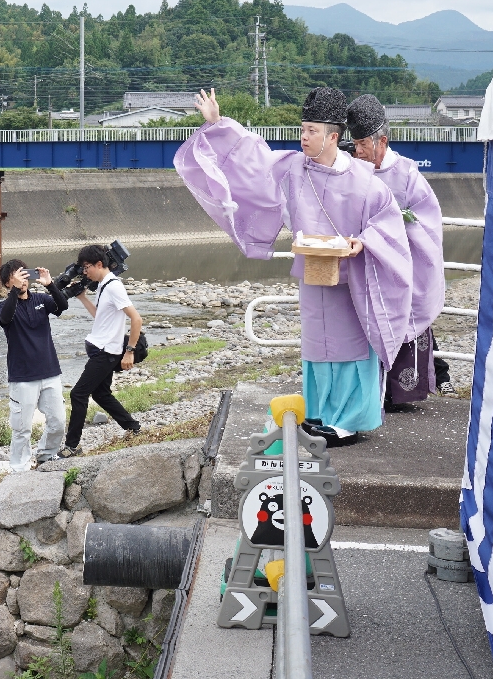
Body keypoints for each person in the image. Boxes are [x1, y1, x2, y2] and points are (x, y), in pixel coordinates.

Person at [174, 88, 412, 445]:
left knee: (349, 346)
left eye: (312, 130)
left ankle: (348, 421)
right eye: (302, 128)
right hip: (313, 275)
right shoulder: (291, 168)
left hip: (352, 279)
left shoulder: (364, 181)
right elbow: (250, 158)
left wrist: (364, 241)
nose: (303, 136)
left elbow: (387, 221)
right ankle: (320, 413)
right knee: (317, 345)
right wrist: (218, 124)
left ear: (333, 136)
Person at [346, 94, 450, 404]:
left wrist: (394, 228)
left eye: (364, 143)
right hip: (366, 262)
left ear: (382, 141)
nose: (359, 150)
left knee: (406, 320)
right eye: (355, 143)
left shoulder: (405, 174)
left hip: (402, 266)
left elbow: (427, 221)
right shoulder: (351, 167)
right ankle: (366, 395)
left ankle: (401, 394)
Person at [60, 244, 144, 458]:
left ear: (99, 264)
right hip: (102, 350)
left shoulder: (114, 286)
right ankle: (133, 428)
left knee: (78, 393)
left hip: (105, 353)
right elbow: (101, 317)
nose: (84, 272)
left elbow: (136, 318)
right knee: (100, 393)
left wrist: (130, 352)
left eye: (86, 267)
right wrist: (83, 298)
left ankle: (72, 447)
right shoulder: (104, 285)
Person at [0, 259, 69, 471]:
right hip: (22, 377)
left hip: (50, 372)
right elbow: (6, 317)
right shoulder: (4, 306)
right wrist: (14, 293)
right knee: (22, 428)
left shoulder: (41, 299)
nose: (22, 281)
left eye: (24, 275)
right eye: (16, 277)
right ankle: (18, 468)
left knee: (58, 421)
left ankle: (46, 456)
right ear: (7, 283)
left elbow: (61, 307)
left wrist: (50, 284)